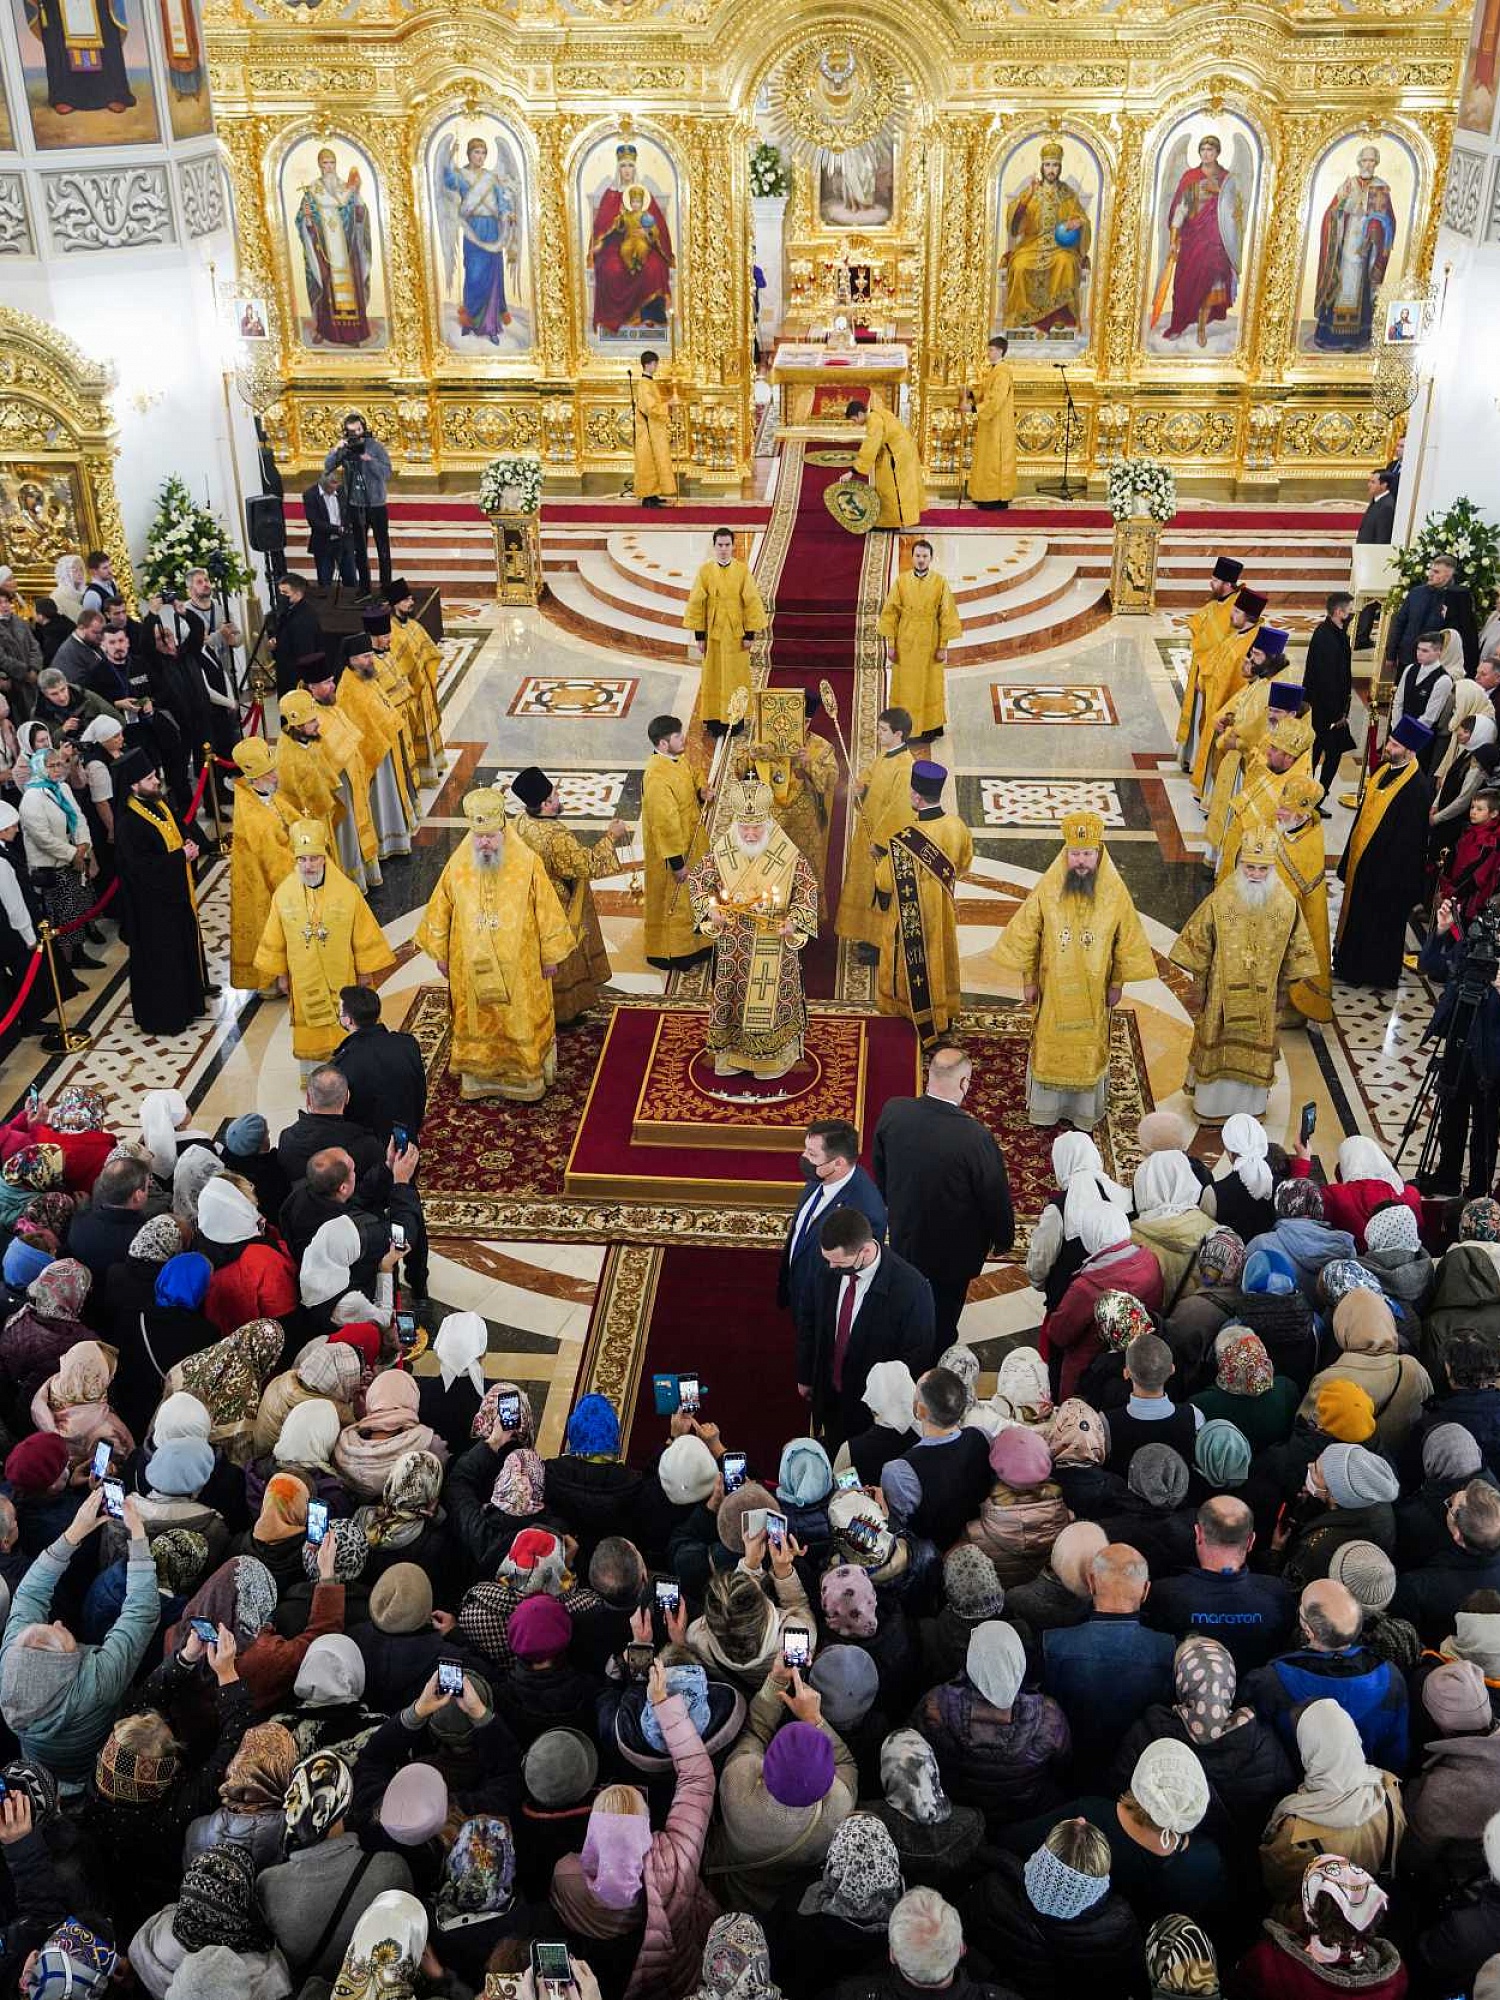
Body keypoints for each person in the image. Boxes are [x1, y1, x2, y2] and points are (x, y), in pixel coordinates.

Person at [994, 809, 1156, 1128]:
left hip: (1094, 993)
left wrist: (1117, 983)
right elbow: (1027, 933)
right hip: (1053, 990)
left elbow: (1126, 941)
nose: (1081, 861)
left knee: (1087, 1050)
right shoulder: (1049, 889)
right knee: (1051, 1045)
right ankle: (1046, 1109)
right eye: (1075, 854)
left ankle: (1083, 1111)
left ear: (1100, 854)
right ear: (1065, 854)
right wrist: (1028, 980)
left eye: (1087, 854)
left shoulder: (1114, 893)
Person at [415, 785, 576, 1102]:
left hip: (522, 967)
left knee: (519, 1017)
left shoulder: (528, 863)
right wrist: (441, 953)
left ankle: (526, 1079)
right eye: (479, 836)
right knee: (476, 1017)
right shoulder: (458, 866)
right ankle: (478, 1077)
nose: (485, 842)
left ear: (503, 828)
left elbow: (547, 911)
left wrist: (551, 955)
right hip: (469, 967)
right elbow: (440, 909)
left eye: (490, 836)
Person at [1170, 824, 1320, 1121]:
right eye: (1249, 867)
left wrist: (1286, 985)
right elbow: (1198, 938)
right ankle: (1210, 1106)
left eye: (1262, 869)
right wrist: (1198, 981)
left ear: (1272, 868)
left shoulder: (1286, 905)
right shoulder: (1223, 897)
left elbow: (1298, 947)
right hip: (1220, 998)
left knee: (1255, 1048)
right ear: (1240, 864)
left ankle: (1250, 1107)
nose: (1254, 874)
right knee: (1217, 1040)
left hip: (1264, 997)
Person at [872, 1047, 1015, 1346]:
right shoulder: (975, 1138)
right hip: (953, 1255)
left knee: (906, 1300)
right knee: (943, 1320)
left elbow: (881, 1168)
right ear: (964, 1083)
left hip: (906, 1238)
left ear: (930, 1075)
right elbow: (994, 1197)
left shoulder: (894, 1111)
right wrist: (1003, 1239)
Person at [687, 777, 818, 1081]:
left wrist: (794, 920)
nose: (748, 833)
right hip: (734, 944)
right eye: (744, 827)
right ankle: (731, 1056)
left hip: (774, 938)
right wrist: (712, 909)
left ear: (767, 822)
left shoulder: (785, 851)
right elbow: (697, 882)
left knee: (770, 1002)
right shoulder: (724, 848)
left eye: (755, 828)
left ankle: (772, 1060)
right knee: (734, 997)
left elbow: (807, 889)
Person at [255, 819, 395, 1071]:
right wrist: (281, 975)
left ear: (324, 857)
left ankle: (349, 1067)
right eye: (302, 860)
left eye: (314, 859)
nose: (308, 866)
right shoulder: (284, 894)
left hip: (341, 975)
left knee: (344, 1021)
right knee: (311, 1028)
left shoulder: (347, 891)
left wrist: (364, 971)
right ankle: (314, 1073)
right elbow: (275, 938)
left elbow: (363, 934)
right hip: (303, 977)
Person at [796, 1207, 937, 1450]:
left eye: (839, 1262)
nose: (830, 1268)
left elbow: (916, 1356)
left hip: (871, 1413)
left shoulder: (911, 1290)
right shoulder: (828, 1264)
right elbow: (809, 1320)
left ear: (866, 1250)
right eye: (828, 1260)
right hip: (828, 1393)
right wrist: (806, 1375)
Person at [509, 765, 630, 1026]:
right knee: (563, 957)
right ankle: (564, 1012)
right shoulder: (555, 837)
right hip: (556, 904)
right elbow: (587, 865)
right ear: (546, 804)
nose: (559, 797)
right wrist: (612, 836)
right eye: (555, 795)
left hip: (527, 902)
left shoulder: (519, 822)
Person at [110, 746, 212, 1035]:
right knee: (163, 960)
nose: (157, 781)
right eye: (151, 777)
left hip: (176, 895)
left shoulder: (158, 802)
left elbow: (177, 828)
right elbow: (141, 868)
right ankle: (167, 1016)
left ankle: (191, 1001)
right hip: (152, 908)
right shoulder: (129, 823)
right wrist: (180, 857)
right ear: (134, 785)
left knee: (182, 949)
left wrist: (190, 844)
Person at [1334, 715, 1435, 988]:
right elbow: (1362, 819)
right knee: (1356, 917)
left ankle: (1366, 973)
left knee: (1376, 925)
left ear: (1410, 750)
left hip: (1386, 874)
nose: (1387, 747)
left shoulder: (1417, 789)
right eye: (1390, 741)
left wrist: (1383, 877)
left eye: (1394, 744)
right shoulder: (1383, 771)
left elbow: (1408, 845)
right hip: (1365, 862)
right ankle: (1346, 963)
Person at [874, 761, 971, 1044]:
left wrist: (880, 859)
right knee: (941, 957)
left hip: (911, 916)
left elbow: (883, 882)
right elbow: (963, 864)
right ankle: (944, 1014)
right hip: (942, 911)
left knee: (911, 964)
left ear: (916, 796)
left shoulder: (905, 839)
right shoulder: (957, 826)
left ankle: (911, 1015)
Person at [779, 1120, 887, 1327]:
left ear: (838, 1162)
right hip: (800, 1290)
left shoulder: (865, 1210)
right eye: (806, 1150)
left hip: (822, 1312)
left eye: (812, 1154)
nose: (804, 1158)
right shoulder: (821, 1176)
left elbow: (851, 1277)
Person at [836, 706, 915, 962]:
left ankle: (882, 946)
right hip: (867, 833)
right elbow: (869, 776)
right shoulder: (886, 755)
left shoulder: (905, 767)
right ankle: (867, 934)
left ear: (899, 734)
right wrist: (861, 785)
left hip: (881, 843)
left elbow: (900, 811)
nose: (878, 734)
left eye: (883, 730)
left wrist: (881, 844)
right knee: (864, 885)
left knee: (879, 892)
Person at [295, 666, 381, 891]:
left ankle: (362, 871)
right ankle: (349, 878)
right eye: (327, 682)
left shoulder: (331, 707)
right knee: (346, 833)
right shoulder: (310, 718)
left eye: (332, 681)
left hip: (352, 780)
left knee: (357, 826)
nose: (333, 686)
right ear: (312, 688)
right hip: (337, 788)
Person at [336, 623, 416, 861]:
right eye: (364, 657)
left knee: (391, 794)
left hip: (387, 747)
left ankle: (397, 834)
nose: (370, 660)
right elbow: (357, 726)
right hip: (373, 755)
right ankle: (384, 840)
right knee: (380, 799)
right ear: (351, 660)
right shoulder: (348, 688)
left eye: (370, 655)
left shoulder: (367, 678)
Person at [227, 737, 298, 994]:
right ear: (259, 777)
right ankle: (277, 981)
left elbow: (287, 815)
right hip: (267, 885)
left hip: (272, 873)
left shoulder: (257, 796)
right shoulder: (254, 816)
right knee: (275, 930)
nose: (278, 775)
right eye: (273, 772)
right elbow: (275, 862)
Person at [641, 713, 712, 971]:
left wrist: (701, 790)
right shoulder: (657, 778)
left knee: (693, 896)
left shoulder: (676, 759)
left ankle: (698, 943)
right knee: (676, 902)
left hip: (691, 840)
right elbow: (665, 825)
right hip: (673, 853)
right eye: (677, 736)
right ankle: (676, 953)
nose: (683, 739)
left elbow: (693, 775)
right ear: (662, 744)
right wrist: (677, 863)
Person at [877, 542, 962, 743]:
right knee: (906, 686)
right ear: (912, 557)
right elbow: (890, 614)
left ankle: (928, 728)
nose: (921, 560)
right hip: (906, 642)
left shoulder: (940, 582)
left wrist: (943, 645)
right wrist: (890, 644)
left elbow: (947, 615)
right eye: (917, 556)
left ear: (931, 558)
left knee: (929, 685)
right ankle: (904, 727)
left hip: (930, 642)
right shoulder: (901, 582)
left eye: (925, 556)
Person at [684, 529, 767, 736]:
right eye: (719, 545)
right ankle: (714, 720)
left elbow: (752, 602)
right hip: (713, 633)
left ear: (733, 546)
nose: (723, 549)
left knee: (735, 675)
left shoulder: (742, 571)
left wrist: (750, 634)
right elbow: (697, 603)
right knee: (713, 673)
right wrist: (699, 636)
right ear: (714, 546)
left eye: (727, 545)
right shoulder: (705, 571)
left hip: (736, 634)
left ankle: (735, 719)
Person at [1190, 587, 1268, 799]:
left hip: (1227, 709)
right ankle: (1206, 796)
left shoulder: (1250, 646)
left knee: (1220, 760)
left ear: (1249, 616)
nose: (1231, 615)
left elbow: (1243, 684)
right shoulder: (1236, 635)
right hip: (1214, 702)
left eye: (1236, 612)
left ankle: (1213, 800)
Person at [330, 983, 426, 1147]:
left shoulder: (342, 1064)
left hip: (370, 1150)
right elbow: (420, 1091)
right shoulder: (407, 1043)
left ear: (348, 1020)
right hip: (407, 1139)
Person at [1177, 556, 1246, 774]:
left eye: (1215, 580)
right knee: (1197, 717)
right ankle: (1192, 758)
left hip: (1214, 675)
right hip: (1202, 667)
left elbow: (1222, 642)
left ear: (1227, 584)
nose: (1211, 583)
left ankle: (1200, 762)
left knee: (1206, 720)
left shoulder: (1235, 607)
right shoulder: (1220, 602)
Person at [324, 411, 393, 595]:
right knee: (360, 550)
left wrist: (369, 460)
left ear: (364, 428)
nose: (357, 434)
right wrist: (336, 450)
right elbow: (328, 467)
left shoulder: (376, 447)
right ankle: (364, 588)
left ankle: (386, 587)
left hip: (376, 504)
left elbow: (386, 474)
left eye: (359, 430)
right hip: (355, 504)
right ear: (346, 433)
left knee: (383, 549)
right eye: (352, 432)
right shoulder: (346, 448)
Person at [386, 579, 445, 787]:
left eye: (411, 598)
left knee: (428, 729)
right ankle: (420, 772)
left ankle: (433, 767)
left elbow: (430, 651)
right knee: (416, 731)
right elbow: (394, 666)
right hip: (410, 692)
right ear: (395, 604)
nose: (411, 602)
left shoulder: (414, 625)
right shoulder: (391, 633)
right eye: (406, 600)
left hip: (424, 688)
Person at [844, 399, 925, 530]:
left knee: (890, 487)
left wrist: (852, 471)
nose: (855, 423)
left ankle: (892, 522)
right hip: (903, 450)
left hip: (897, 454)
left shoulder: (873, 421)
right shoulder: (878, 412)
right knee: (899, 486)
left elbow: (869, 448)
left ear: (860, 414)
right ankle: (898, 518)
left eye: (854, 420)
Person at [1305, 592, 1356, 800]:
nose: (1353, 613)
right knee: (1321, 753)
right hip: (1324, 710)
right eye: (1350, 610)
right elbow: (1327, 680)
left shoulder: (1336, 632)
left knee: (1329, 753)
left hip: (1331, 709)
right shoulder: (1326, 637)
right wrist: (1338, 715)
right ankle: (1311, 797)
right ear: (1339, 612)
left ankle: (1316, 796)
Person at [1391, 629, 1457, 773]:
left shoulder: (1443, 680)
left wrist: (1406, 738)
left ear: (1438, 652)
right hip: (1399, 733)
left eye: (1425, 651)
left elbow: (1429, 718)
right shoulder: (1410, 669)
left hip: (1419, 739)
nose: (1419, 653)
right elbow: (1398, 702)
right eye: (1418, 649)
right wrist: (1396, 729)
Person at [967, 335, 1017, 511]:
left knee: (995, 461)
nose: (988, 353)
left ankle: (995, 498)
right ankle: (984, 495)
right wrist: (971, 393)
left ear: (1001, 351)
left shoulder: (1003, 371)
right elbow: (986, 392)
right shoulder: (994, 370)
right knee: (987, 460)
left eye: (992, 350)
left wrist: (974, 409)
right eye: (988, 349)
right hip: (990, 422)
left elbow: (996, 399)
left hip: (998, 424)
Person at [631, 348, 676, 508]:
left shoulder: (650, 383)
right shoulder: (644, 384)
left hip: (654, 429)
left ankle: (654, 493)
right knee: (648, 462)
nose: (656, 366)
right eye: (655, 363)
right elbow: (650, 408)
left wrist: (666, 404)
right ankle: (647, 497)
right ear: (648, 364)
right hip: (647, 430)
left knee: (656, 460)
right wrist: (668, 404)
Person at [300, 467, 358, 588]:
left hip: (344, 542)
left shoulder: (342, 491)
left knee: (350, 578)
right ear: (324, 485)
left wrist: (349, 525)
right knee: (325, 580)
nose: (335, 490)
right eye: (332, 488)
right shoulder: (310, 495)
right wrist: (336, 529)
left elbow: (348, 511)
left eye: (336, 487)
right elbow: (314, 522)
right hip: (323, 543)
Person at [271, 575, 324, 699]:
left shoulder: (304, 618)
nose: (281, 596)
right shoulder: (290, 610)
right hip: (287, 671)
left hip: (296, 677)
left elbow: (305, 652)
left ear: (298, 593)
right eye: (280, 592)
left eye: (285, 593)